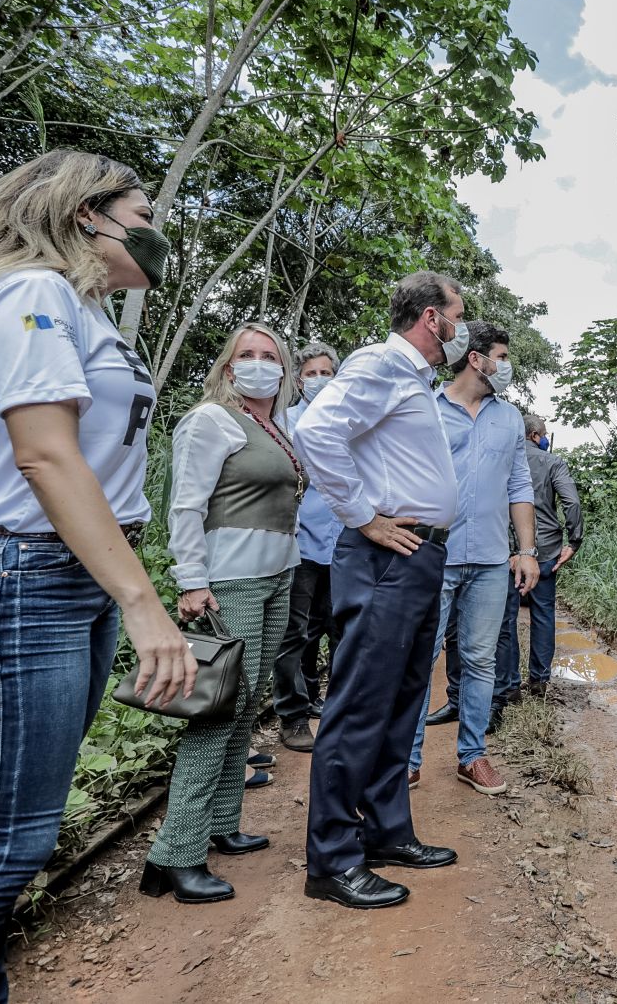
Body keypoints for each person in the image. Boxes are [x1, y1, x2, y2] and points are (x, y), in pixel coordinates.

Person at [0, 151, 195, 1001]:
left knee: (12, 840)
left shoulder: (84, 311)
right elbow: (43, 454)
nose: (153, 232)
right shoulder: (29, 291)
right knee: (0, 847)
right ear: (89, 214)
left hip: (58, 582)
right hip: (16, 574)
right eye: (140, 213)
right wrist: (144, 603)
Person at [293, 271, 467, 910]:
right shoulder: (382, 363)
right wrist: (362, 515)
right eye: (458, 315)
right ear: (431, 318)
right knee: (361, 702)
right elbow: (316, 434)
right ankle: (333, 860)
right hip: (383, 553)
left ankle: (387, 830)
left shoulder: (413, 380)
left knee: (403, 699)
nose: (462, 327)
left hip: (419, 553)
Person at [140, 321, 302, 903]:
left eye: (270, 355)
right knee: (216, 711)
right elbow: (185, 503)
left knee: (247, 701)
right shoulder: (211, 420)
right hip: (229, 579)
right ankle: (174, 855)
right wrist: (191, 580)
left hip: (276, 574)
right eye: (247, 355)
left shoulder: (275, 427)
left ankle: (220, 822)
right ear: (229, 367)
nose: (260, 363)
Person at [408, 321, 538, 797]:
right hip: (431, 554)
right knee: (419, 659)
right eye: (501, 357)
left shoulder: (509, 418)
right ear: (476, 358)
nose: (506, 367)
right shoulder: (427, 406)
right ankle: (407, 759)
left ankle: (472, 755)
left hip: (488, 559)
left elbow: (518, 485)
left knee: (481, 660)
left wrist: (526, 551)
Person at [273, 341, 344, 752]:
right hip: (300, 543)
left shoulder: (348, 421)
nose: (319, 379)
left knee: (341, 629)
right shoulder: (284, 422)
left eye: (326, 372)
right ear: (298, 380)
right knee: (294, 633)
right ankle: (295, 715)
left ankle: (335, 705)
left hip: (343, 544)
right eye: (311, 373)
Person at [494, 414, 583, 708]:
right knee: (543, 614)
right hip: (545, 550)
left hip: (507, 552)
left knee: (507, 618)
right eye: (543, 434)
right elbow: (571, 502)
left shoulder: (501, 459)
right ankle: (539, 681)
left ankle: (509, 686)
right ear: (535, 436)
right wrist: (574, 541)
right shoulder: (553, 463)